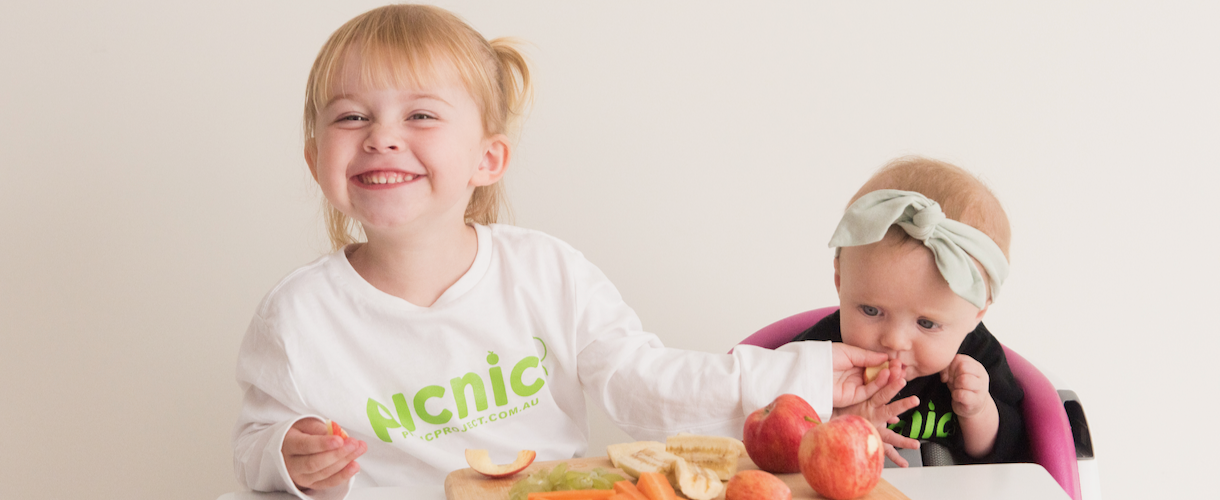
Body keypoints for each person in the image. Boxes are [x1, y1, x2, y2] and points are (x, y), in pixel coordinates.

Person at [232, 5, 900, 499]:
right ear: (316, 158)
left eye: (421, 115)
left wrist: (804, 376)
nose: (381, 136)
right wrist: (287, 455)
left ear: (488, 159)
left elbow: (648, 386)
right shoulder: (296, 315)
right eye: (351, 116)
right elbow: (254, 446)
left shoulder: (547, 273)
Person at [793, 156, 1028, 466]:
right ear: (840, 281)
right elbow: (775, 432)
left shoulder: (979, 359)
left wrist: (978, 411)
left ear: (977, 314)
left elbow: (1011, 456)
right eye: (871, 310)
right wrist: (837, 423)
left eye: (927, 323)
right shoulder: (817, 356)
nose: (894, 340)